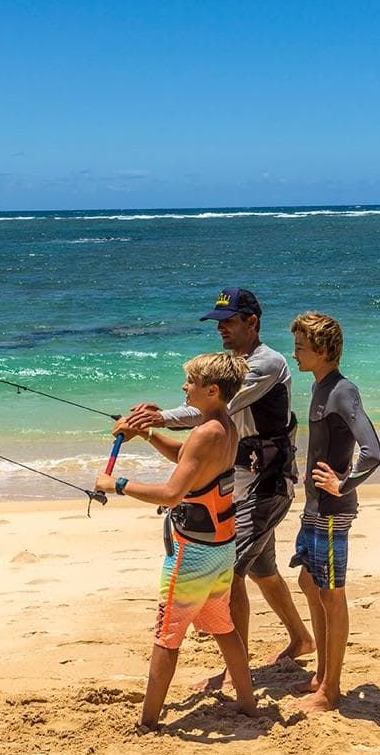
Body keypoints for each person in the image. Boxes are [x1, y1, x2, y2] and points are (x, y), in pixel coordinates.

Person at [122, 288, 313, 685]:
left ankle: (234, 671)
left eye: (228, 321)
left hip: (265, 483)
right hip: (238, 482)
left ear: (252, 323)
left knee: (233, 574)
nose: (221, 328)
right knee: (263, 569)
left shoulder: (267, 364)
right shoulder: (228, 364)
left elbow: (210, 410)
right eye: (218, 322)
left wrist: (157, 418)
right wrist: (155, 423)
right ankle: (300, 639)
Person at [96, 352, 258, 729]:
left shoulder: (205, 432)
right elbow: (185, 457)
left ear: (212, 390)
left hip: (192, 555)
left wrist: (116, 485)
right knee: (223, 626)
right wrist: (147, 433)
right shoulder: (223, 425)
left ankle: (148, 723)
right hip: (221, 549)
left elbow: (171, 495)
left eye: (190, 383)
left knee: (167, 635)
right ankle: (249, 705)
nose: (184, 388)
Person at [287, 312, 380, 714]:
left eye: (300, 347)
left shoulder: (343, 391)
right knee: (309, 582)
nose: (294, 354)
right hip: (314, 506)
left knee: (331, 594)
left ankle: (331, 690)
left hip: (332, 510)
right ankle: (322, 674)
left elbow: (373, 451)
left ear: (323, 350)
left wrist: (343, 484)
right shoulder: (320, 387)